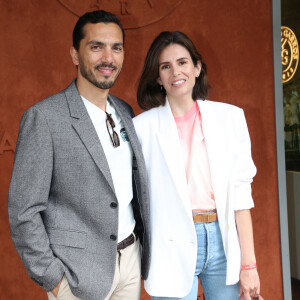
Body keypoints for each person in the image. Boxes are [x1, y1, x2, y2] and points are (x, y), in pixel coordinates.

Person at [8, 10, 150, 300]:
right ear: (75, 55)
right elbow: (23, 211)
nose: (108, 58)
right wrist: (54, 280)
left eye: (116, 48)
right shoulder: (44, 118)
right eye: (96, 47)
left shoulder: (125, 112)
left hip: (130, 262)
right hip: (77, 275)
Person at [133, 31, 260, 300]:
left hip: (222, 243)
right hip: (169, 244)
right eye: (165, 66)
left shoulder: (230, 118)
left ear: (197, 67)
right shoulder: (141, 128)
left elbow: (241, 197)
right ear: (158, 77)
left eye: (182, 62)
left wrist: (249, 265)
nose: (175, 72)